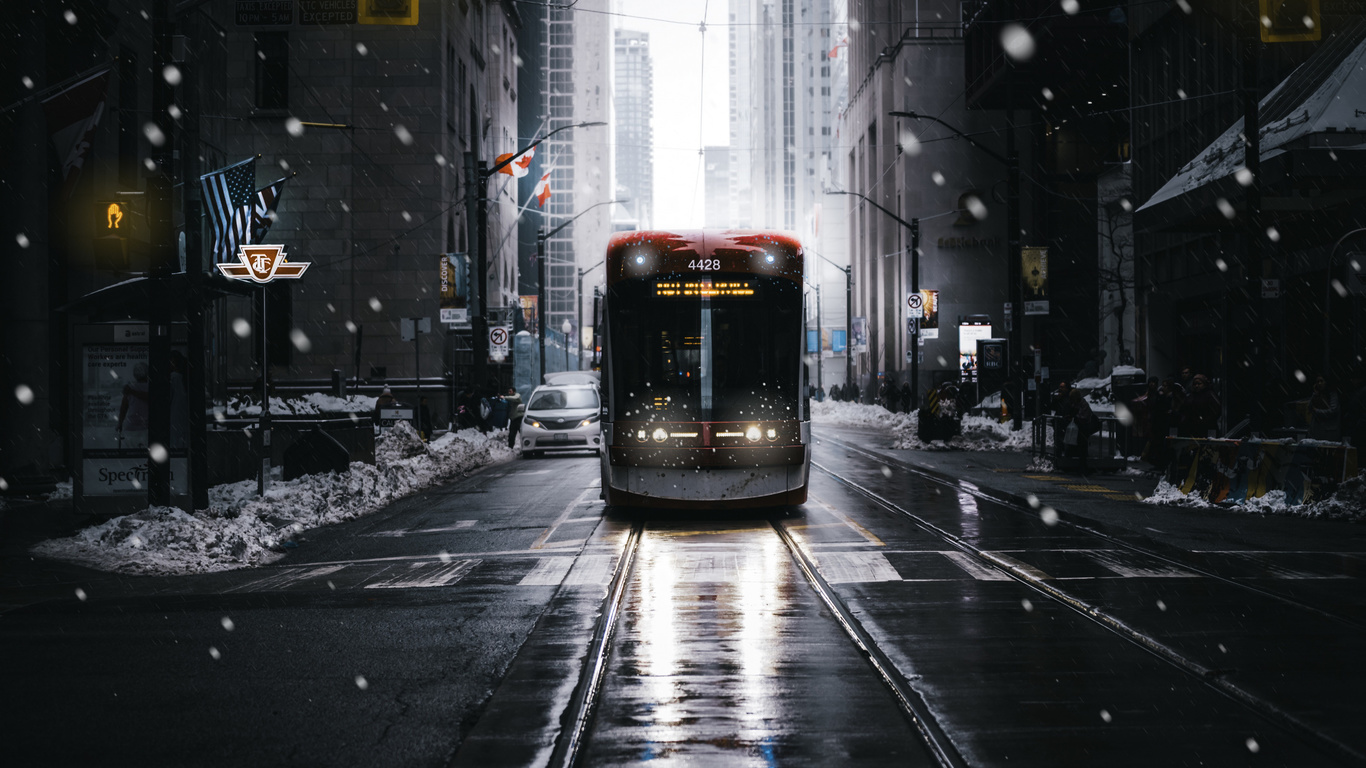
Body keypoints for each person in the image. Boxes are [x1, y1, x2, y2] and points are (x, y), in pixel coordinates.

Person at [117, 361, 150, 446]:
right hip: (146, 427)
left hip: (131, 427)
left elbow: (123, 408)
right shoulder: (150, 387)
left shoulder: (130, 387)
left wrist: (120, 423)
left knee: (131, 454)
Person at [1064, 389, 1097, 475]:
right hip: (1079, 430)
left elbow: (1084, 417)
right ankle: (1079, 467)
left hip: (1083, 429)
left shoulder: (1083, 404)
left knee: (1082, 449)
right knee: (1079, 448)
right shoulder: (1076, 404)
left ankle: (1082, 467)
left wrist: (1075, 418)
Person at [1307, 374, 1341, 441]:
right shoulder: (1318, 395)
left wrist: (1316, 410)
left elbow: (1333, 411)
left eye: (1321, 381)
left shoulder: (1332, 395)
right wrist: (1315, 394)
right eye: (1318, 382)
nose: (1319, 383)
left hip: (1329, 430)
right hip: (1319, 430)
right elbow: (1309, 407)